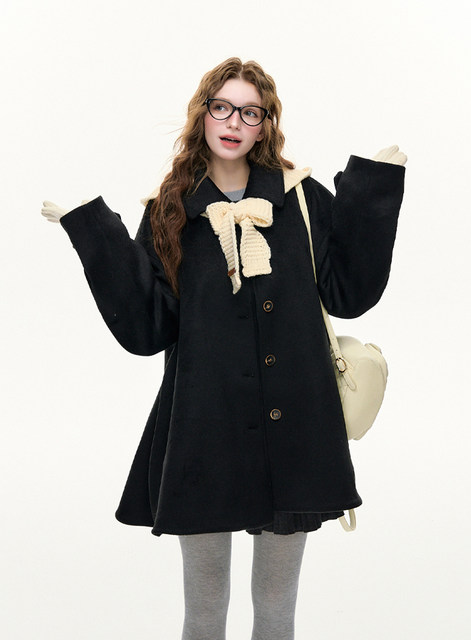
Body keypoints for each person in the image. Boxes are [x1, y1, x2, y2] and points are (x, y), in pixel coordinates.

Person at [41, 57, 407, 640]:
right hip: (204, 434)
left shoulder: (301, 198)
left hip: (294, 431)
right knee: (205, 611)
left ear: (265, 125)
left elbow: (349, 292)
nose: (234, 121)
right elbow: (147, 329)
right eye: (222, 107)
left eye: (250, 112)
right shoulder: (169, 209)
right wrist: (97, 237)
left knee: (277, 608)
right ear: (203, 114)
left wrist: (372, 193)